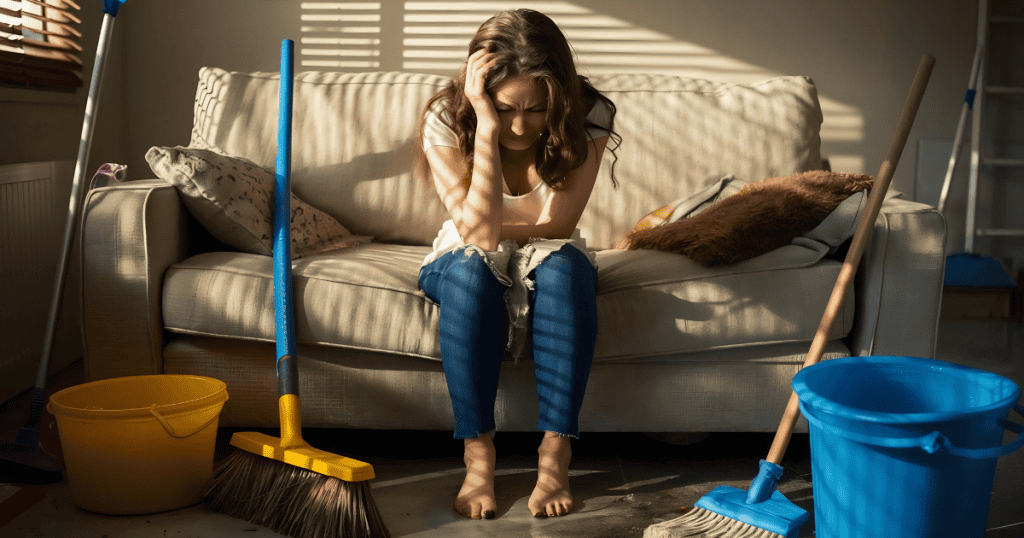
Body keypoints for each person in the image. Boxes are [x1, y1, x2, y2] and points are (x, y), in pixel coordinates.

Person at [416, 8, 620, 520]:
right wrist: (484, 127)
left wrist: (493, 233)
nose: (522, 126)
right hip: (458, 253)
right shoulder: (445, 117)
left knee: (566, 270)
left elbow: (558, 225)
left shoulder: (589, 112)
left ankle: (555, 456)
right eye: (506, 108)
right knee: (470, 271)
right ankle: (478, 458)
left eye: (536, 110)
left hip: (548, 248)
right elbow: (478, 240)